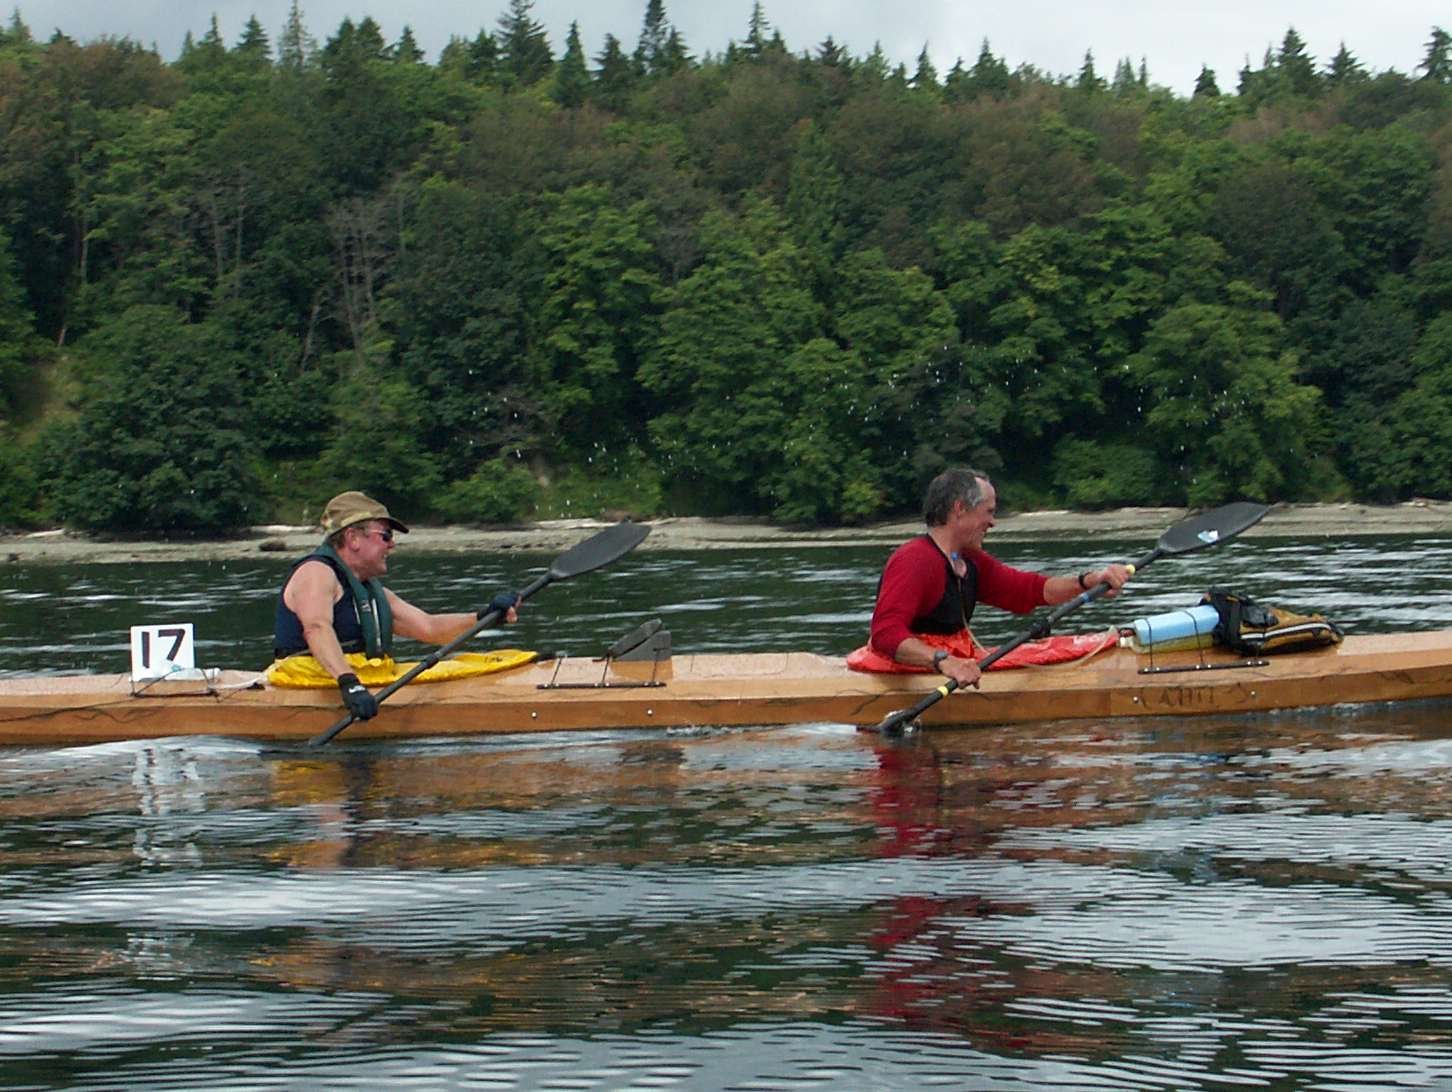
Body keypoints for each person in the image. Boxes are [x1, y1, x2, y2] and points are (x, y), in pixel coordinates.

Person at [868, 467, 1133, 690]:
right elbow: (885, 633)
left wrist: (1087, 581)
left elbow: (1029, 590)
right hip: (908, 672)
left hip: (951, 664)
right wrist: (944, 661)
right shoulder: (914, 559)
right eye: (988, 511)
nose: (992, 522)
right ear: (960, 508)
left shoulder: (970, 560)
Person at [273, 490, 520, 721]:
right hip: (308, 681)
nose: (392, 545)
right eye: (386, 536)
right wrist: (350, 683)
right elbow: (316, 628)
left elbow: (430, 628)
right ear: (353, 538)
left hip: (362, 679)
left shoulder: (371, 592)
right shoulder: (316, 573)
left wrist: (485, 617)